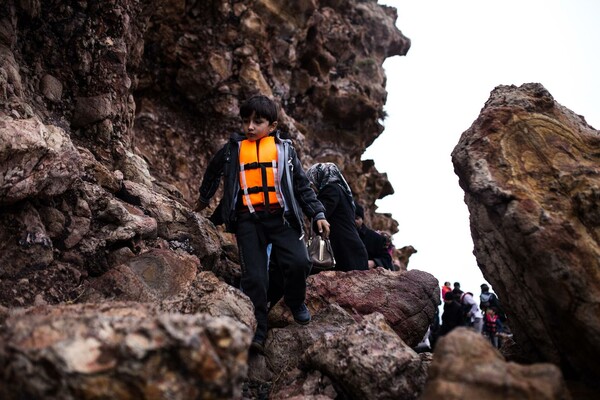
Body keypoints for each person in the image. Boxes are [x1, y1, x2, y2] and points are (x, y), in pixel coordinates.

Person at [195, 95, 330, 352]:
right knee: (255, 278)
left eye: (258, 121)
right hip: (248, 222)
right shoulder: (232, 150)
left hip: (281, 219)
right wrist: (203, 199)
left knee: (300, 261)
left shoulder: (285, 151)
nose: (250, 127)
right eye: (246, 121)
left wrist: (318, 213)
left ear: (273, 125)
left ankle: (294, 300)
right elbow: (212, 172)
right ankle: (259, 330)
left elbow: (302, 186)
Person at [305, 162, 368, 272]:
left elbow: (321, 215)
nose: (313, 184)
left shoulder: (330, 189)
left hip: (344, 251)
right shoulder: (343, 192)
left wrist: (311, 204)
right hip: (353, 249)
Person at [354, 203, 393, 269]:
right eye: (350, 217)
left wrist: (374, 262)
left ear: (362, 220)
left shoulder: (375, 238)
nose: (353, 221)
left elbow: (387, 259)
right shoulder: (340, 232)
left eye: (356, 218)